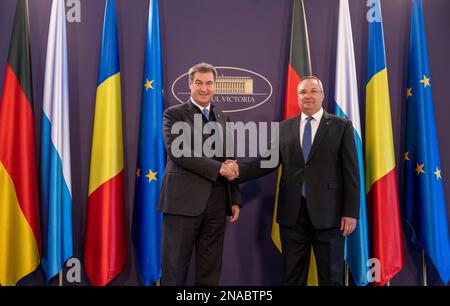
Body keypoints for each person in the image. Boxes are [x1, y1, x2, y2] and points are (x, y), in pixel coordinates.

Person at [238, 76, 359, 285]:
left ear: (322, 95)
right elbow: (267, 162)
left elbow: (351, 173)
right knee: (293, 278)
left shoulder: (342, 126)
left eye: (313, 91)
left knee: (332, 278)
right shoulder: (284, 128)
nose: (308, 96)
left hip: (329, 216)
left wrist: (350, 212)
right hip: (292, 217)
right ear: (298, 97)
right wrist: (236, 171)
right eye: (303, 92)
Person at [158, 63, 240, 286]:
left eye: (209, 83)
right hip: (182, 203)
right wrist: (218, 168)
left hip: (216, 201)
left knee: (210, 270)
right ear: (190, 84)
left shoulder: (222, 116)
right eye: (199, 83)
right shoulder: (174, 114)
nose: (204, 88)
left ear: (215, 86)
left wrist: (234, 199)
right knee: (174, 269)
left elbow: (228, 158)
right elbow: (177, 151)